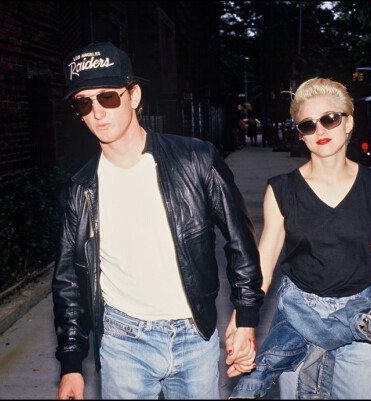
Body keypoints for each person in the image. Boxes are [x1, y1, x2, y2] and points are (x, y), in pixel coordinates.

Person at [52, 41, 264, 400]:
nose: (97, 113)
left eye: (107, 97)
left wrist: (246, 317)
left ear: (133, 96)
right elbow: (68, 280)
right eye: (83, 103)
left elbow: (239, 240)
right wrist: (72, 363)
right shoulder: (80, 190)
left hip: (194, 333)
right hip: (123, 340)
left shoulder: (196, 159)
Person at [231, 77, 371, 399]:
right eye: (308, 125)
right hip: (299, 316)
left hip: (361, 321)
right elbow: (265, 263)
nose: (320, 131)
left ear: (348, 121)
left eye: (329, 119)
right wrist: (242, 320)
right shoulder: (282, 189)